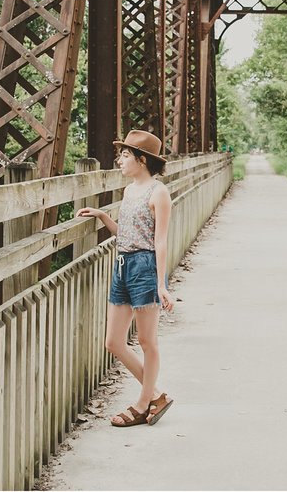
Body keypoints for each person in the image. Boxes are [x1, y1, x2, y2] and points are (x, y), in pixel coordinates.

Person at [76, 129, 175, 427]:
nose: (119, 160)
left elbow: (159, 241)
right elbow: (128, 234)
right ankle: (157, 395)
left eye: (125, 155)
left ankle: (143, 403)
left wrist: (161, 285)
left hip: (145, 268)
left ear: (142, 160)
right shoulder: (129, 190)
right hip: (122, 266)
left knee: (147, 340)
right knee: (114, 342)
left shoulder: (159, 192)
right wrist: (104, 218)